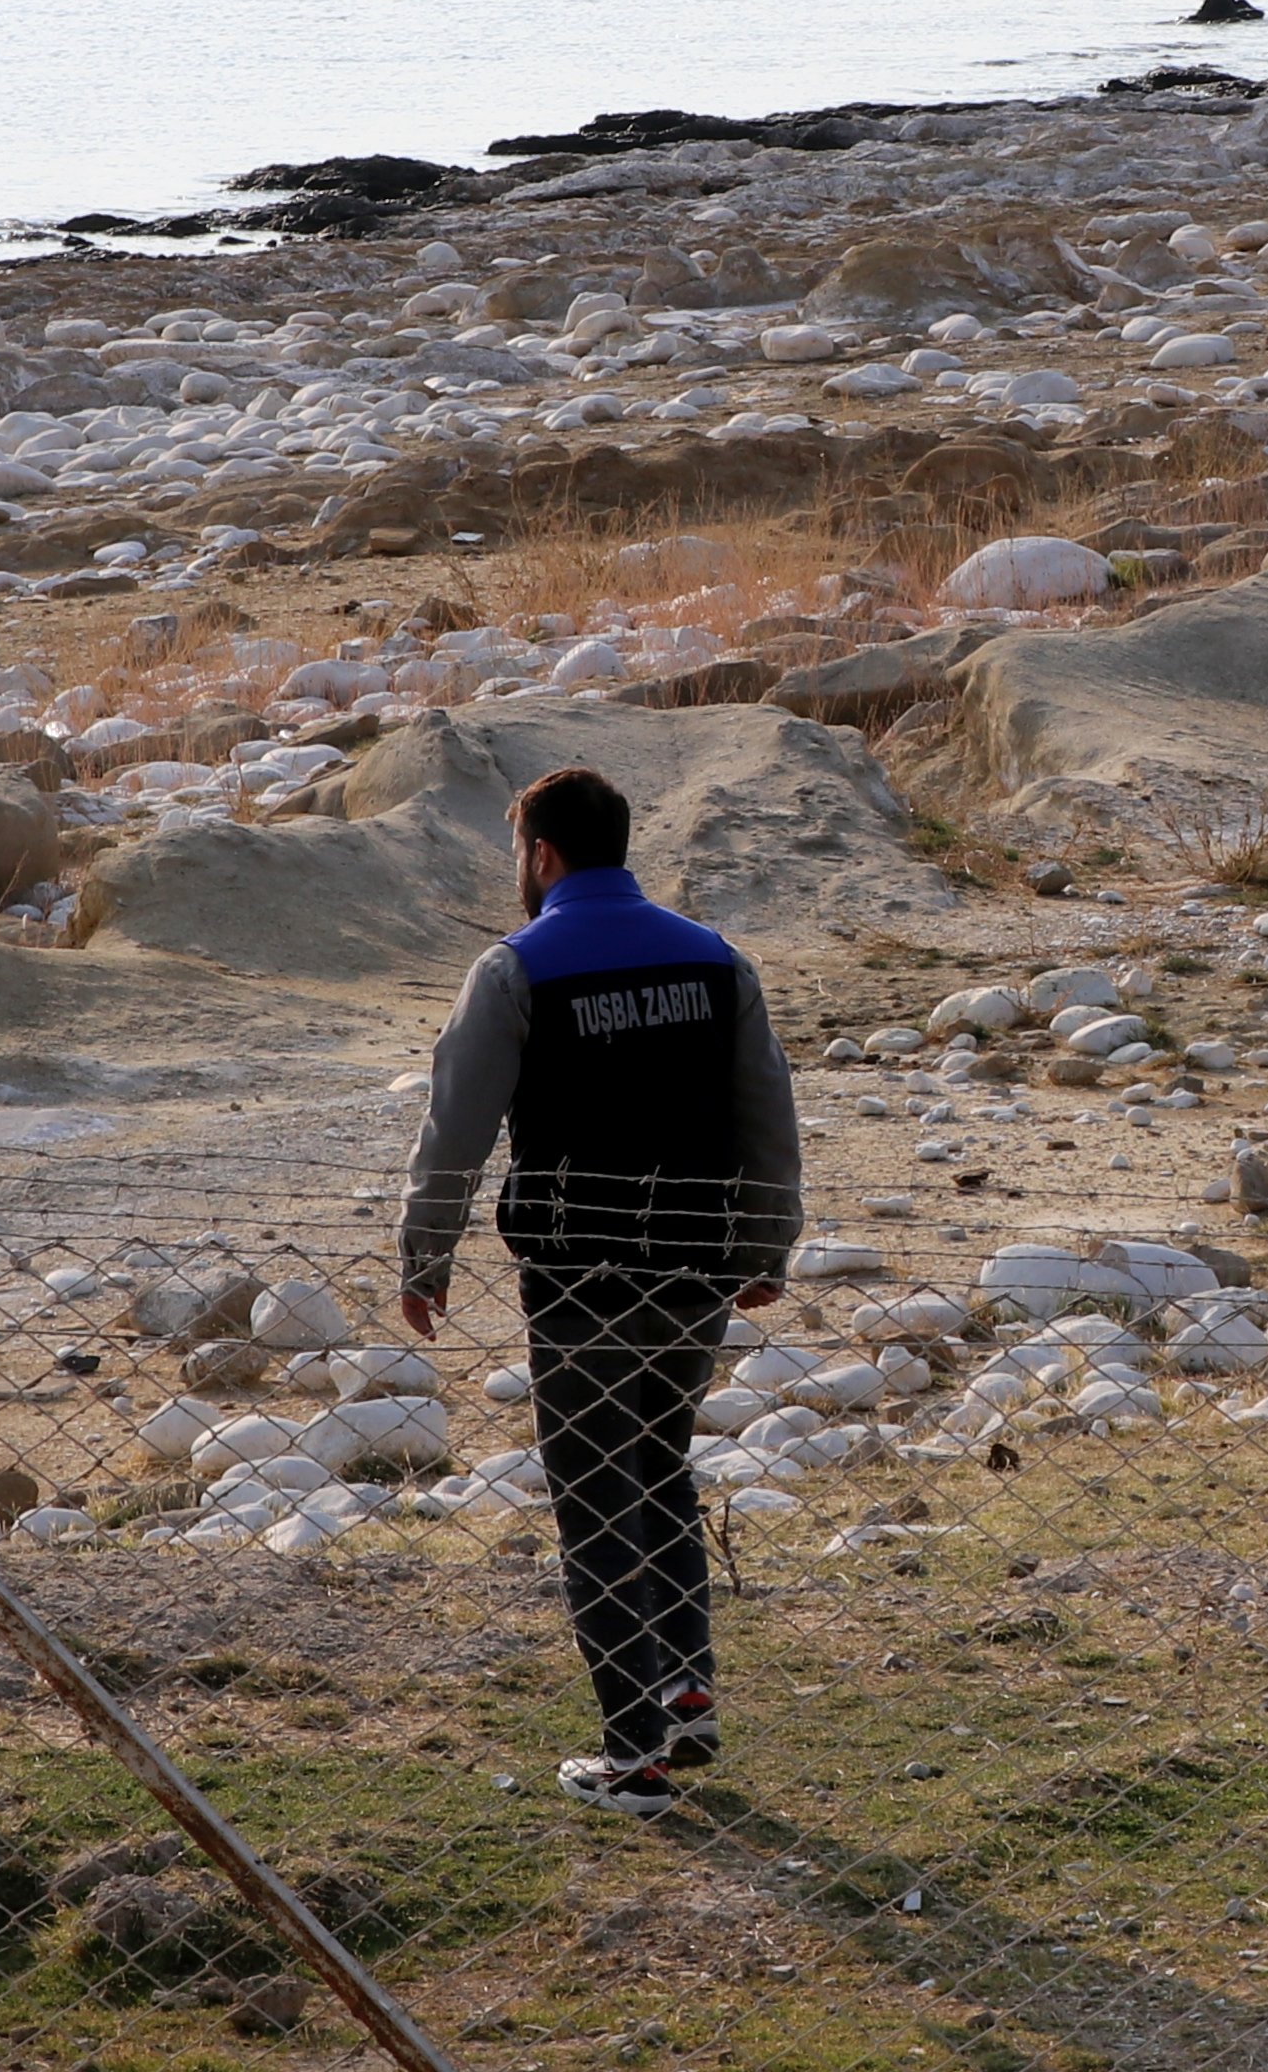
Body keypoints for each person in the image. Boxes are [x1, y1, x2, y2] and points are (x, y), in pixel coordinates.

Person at [397, 764, 803, 1815]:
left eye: (516, 853)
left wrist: (423, 1256)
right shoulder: (715, 959)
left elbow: (457, 1129)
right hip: (696, 1268)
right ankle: (687, 1688)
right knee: (659, 1463)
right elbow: (768, 1112)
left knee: (589, 1495)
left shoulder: (516, 968)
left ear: (541, 854)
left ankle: (634, 1755)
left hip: (580, 1279)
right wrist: (768, 1246)